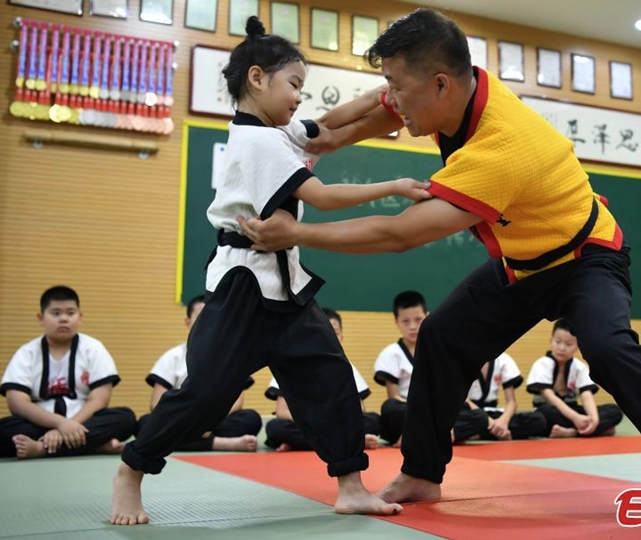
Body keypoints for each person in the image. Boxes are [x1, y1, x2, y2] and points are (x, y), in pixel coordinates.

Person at [238, 8, 641, 512]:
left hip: (587, 256)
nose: (393, 97)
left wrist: (295, 233)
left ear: (440, 85)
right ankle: (422, 474)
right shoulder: (450, 93)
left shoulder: (501, 148)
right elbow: (380, 106)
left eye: (399, 85)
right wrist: (320, 135)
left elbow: (398, 233)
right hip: (523, 261)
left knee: (607, 347)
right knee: (441, 336)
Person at [110, 16, 428, 525]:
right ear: (257, 79)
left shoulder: (276, 132)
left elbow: (325, 128)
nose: (300, 98)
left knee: (331, 378)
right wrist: (393, 186)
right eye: (294, 85)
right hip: (243, 287)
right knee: (206, 394)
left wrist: (381, 95)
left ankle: (350, 485)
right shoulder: (256, 142)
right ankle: (132, 469)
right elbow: (319, 198)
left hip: (287, 285)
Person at [0, 285, 135, 459]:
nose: (63, 319)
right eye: (55, 313)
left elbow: (100, 399)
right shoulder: (27, 353)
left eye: (70, 313)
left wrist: (69, 426)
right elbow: (17, 403)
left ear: (80, 316)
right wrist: (60, 424)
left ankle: (41, 449)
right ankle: (94, 447)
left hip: (83, 421)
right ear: (41, 318)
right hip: (41, 423)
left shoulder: (93, 348)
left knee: (126, 419)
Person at [136, 295, 262, 452]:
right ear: (188, 323)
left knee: (251, 419)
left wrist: (208, 423)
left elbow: (237, 402)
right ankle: (221, 444)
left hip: (215, 421)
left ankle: (186, 440)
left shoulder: (231, 356)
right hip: (181, 420)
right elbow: (156, 403)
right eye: (202, 317)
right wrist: (190, 424)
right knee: (145, 424)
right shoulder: (173, 356)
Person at [373, 291, 487, 447]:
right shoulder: (391, 353)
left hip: (438, 410)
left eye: (418, 319)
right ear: (396, 322)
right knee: (390, 408)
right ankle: (439, 433)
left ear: (427, 316)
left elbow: (452, 390)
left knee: (480, 417)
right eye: (405, 321)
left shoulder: (440, 349)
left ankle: (425, 434)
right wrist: (424, 413)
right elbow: (394, 396)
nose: (412, 326)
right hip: (410, 410)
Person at [265, 307, 381, 452]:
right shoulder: (291, 364)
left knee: (373, 420)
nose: (329, 337)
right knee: (275, 428)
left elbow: (360, 408)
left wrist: (331, 422)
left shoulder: (346, 366)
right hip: (307, 423)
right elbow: (282, 411)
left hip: (335, 423)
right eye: (323, 332)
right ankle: (347, 442)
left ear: (341, 338)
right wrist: (316, 421)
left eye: (335, 332)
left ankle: (302, 444)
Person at [526, 319, 623, 438]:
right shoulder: (541, 364)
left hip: (573, 408)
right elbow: (550, 397)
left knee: (615, 411)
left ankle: (572, 432)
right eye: (558, 342)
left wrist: (594, 420)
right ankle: (595, 430)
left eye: (568, 344)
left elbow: (586, 397)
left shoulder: (579, 367)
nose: (562, 348)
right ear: (551, 341)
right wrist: (575, 418)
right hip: (551, 410)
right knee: (542, 417)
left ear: (577, 346)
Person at [466, 352, 546, 441]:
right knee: (456, 421)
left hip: (491, 413)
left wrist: (503, 422)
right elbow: (464, 399)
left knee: (538, 420)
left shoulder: (502, 359)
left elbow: (511, 402)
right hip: (469, 412)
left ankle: (478, 433)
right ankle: (491, 433)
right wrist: (487, 420)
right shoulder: (463, 357)